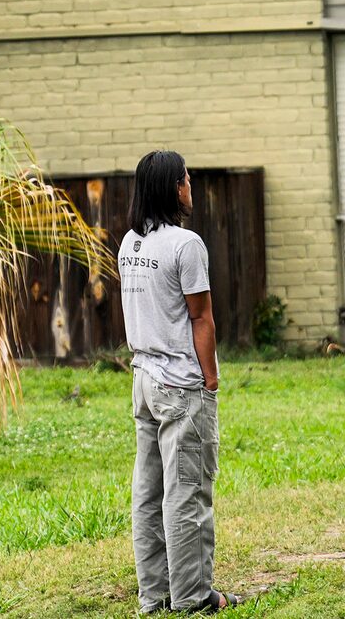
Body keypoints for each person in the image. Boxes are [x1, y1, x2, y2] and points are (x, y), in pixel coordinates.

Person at [119, 148, 230, 613]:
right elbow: (200, 317)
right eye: (185, 180)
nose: (191, 187)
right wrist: (211, 380)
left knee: (149, 494)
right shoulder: (186, 245)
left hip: (143, 380)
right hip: (180, 385)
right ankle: (192, 598)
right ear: (171, 187)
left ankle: (154, 596)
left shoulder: (130, 243)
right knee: (187, 493)